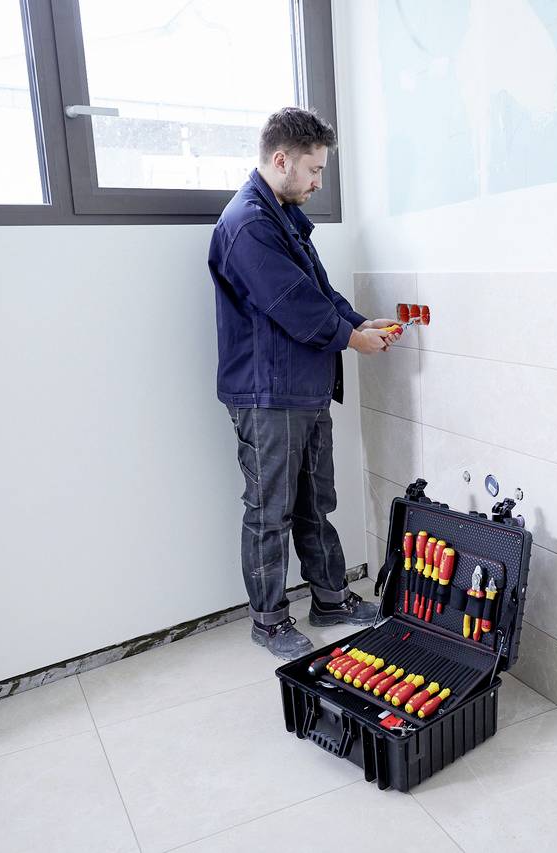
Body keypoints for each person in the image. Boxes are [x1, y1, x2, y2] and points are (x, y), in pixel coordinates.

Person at [208, 107, 401, 659]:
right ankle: (269, 622)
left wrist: (358, 322)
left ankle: (331, 600)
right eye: (314, 170)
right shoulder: (249, 223)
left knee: (317, 502)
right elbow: (294, 306)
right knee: (270, 512)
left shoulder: (282, 215)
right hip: (268, 395)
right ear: (281, 160)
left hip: (303, 387)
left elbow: (317, 289)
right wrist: (352, 339)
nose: (318, 182)